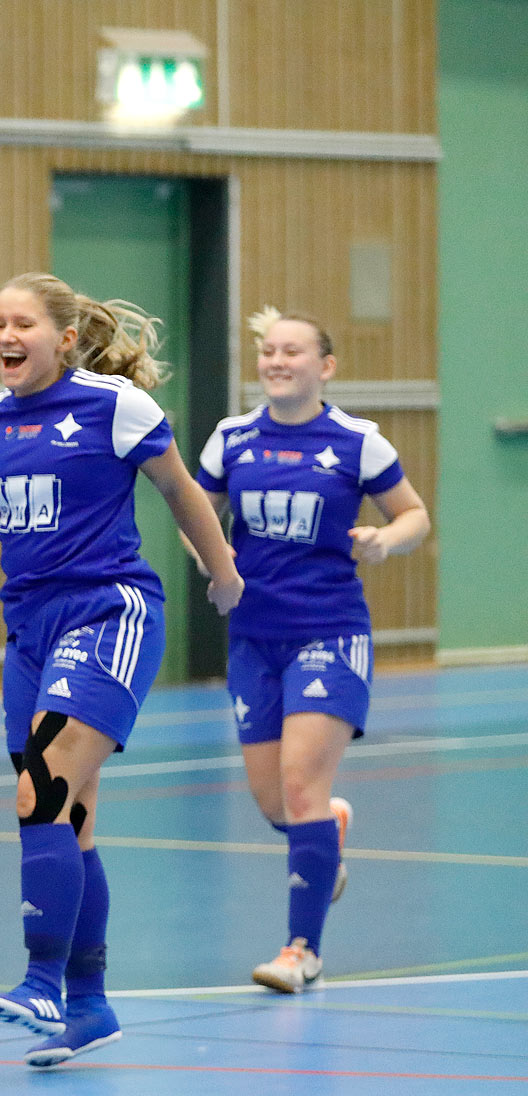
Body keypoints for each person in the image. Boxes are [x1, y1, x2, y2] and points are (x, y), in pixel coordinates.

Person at [0, 272, 242, 1069]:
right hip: (28, 631)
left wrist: (221, 570)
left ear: (64, 339)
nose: (4, 335)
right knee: (68, 817)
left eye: (22, 323)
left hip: (108, 612)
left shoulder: (113, 406)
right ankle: (91, 1003)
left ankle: (42, 979)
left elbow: (181, 493)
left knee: (39, 787)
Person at [197, 308, 429, 993]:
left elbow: (413, 513)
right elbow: (197, 511)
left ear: (323, 366)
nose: (276, 360)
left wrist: (389, 541)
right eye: (268, 350)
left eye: (292, 351)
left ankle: (303, 951)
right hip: (252, 639)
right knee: (277, 802)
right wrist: (215, 563)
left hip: (330, 632)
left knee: (300, 785)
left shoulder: (358, 442)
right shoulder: (232, 439)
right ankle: (327, 834)